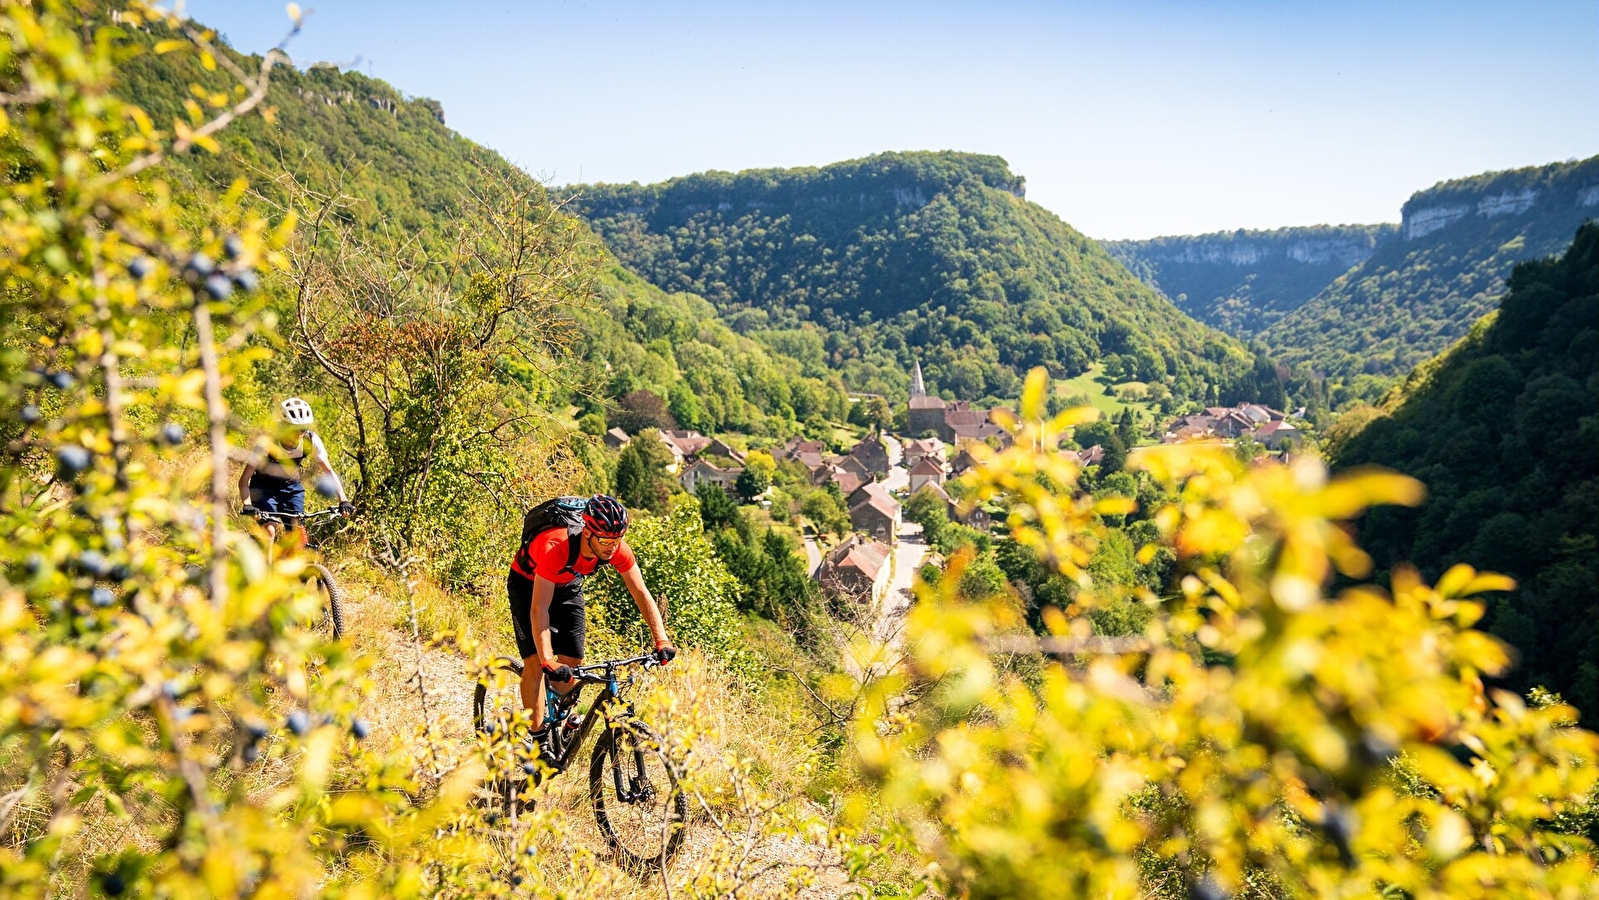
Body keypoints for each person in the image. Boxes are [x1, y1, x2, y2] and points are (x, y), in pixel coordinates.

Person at [508, 493, 674, 764]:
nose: (611, 547)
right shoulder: (556, 547)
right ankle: (537, 737)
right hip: (528, 585)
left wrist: (662, 640)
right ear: (587, 533)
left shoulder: (616, 548)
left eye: (616, 540)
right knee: (536, 662)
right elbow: (538, 610)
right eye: (605, 541)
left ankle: (557, 712)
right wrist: (548, 659)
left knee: (573, 661)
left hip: (567, 583)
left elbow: (641, 593)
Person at [239, 397, 353, 541]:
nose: (300, 433)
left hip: (291, 489)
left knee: (298, 535)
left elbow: (329, 472)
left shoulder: (310, 440)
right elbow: (244, 480)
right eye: (296, 428)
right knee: (270, 531)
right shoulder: (268, 442)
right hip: (263, 489)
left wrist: (343, 500)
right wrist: (248, 505)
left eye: (304, 428)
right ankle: (264, 562)